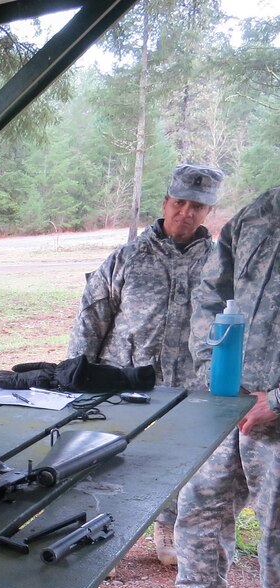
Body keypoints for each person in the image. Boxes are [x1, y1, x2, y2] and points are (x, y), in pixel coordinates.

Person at [125, 185, 280, 588]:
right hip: (228, 398)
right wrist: (213, 372)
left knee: (278, 527)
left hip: (277, 413)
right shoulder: (261, 210)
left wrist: (277, 400)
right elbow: (212, 293)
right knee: (199, 509)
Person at [67, 163, 223, 565]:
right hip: (124, 380)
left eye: (197, 207)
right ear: (166, 202)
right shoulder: (128, 256)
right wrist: (77, 374)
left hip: (190, 384)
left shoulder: (220, 264)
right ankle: (101, 533)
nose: (185, 212)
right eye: (179, 202)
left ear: (208, 212)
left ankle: (167, 529)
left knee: (181, 459)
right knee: (111, 457)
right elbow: (92, 317)